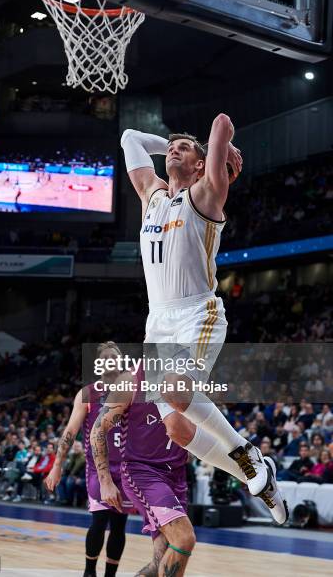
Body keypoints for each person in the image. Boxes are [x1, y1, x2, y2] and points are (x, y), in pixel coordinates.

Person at [120, 120, 285, 506]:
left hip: (197, 312)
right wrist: (174, 144)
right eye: (170, 147)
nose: (174, 150)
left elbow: (223, 123)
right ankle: (250, 472)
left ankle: (247, 453)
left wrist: (220, 150)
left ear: (200, 164)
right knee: (177, 428)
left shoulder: (207, 193)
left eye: (183, 148)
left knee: (178, 389)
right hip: (157, 322)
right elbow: (130, 137)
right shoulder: (152, 196)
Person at [90, 371, 196, 577]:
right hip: (143, 473)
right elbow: (98, 429)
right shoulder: (131, 379)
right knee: (184, 539)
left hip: (177, 474)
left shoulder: (190, 377)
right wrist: (105, 481)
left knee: (162, 561)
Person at [45, 342, 134, 577]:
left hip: (125, 467)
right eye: (105, 356)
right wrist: (56, 466)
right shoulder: (87, 393)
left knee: (119, 524)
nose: (110, 359)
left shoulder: (133, 391)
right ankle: (89, 571)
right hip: (98, 467)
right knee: (99, 520)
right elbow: (69, 432)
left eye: (114, 356)